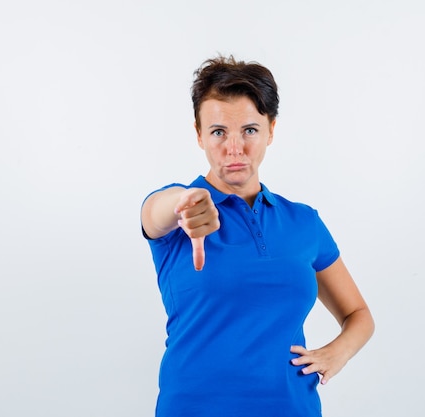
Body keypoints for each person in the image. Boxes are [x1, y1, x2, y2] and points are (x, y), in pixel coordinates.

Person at [140, 55, 374, 417]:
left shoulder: (303, 222)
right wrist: (182, 204)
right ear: (199, 135)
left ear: (271, 130)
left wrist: (336, 353)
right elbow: (154, 214)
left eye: (249, 129)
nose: (234, 148)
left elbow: (358, 314)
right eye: (218, 132)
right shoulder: (180, 212)